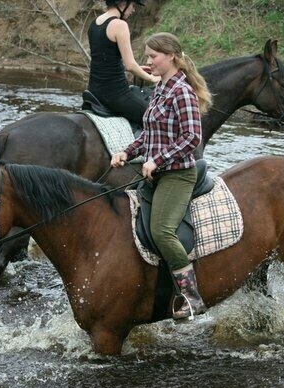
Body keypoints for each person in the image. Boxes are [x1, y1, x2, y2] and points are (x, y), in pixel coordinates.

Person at [110, 32, 212, 320]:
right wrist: (127, 153)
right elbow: (150, 135)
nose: (148, 61)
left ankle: (192, 298)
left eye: (153, 56)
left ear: (171, 56)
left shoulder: (182, 91)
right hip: (156, 173)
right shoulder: (162, 88)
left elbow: (192, 137)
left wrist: (158, 160)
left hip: (177, 176)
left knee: (162, 232)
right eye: (148, 56)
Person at [87, 0, 160, 125]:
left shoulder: (94, 23)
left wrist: (139, 68)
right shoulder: (119, 25)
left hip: (93, 92)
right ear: (122, 3)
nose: (133, 9)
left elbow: (104, 61)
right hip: (115, 94)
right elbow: (130, 65)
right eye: (132, 5)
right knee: (155, 119)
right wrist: (152, 78)